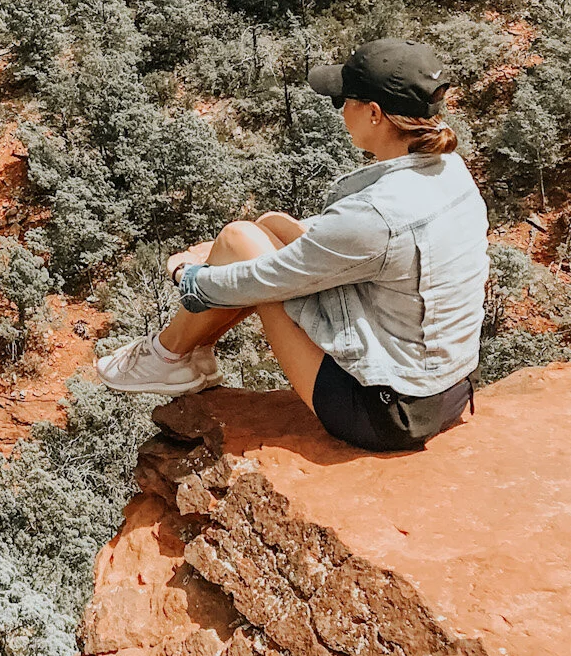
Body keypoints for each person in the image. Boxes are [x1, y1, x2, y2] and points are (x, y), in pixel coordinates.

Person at [95, 39, 486, 452]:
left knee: (239, 241)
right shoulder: (451, 171)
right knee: (266, 226)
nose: (339, 111)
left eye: (343, 100)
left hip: (386, 413)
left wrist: (189, 275)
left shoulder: (376, 213)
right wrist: (268, 236)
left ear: (374, 113)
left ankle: (168, 356)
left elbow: (267, 279)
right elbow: (353, 241)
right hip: (450, 391)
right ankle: (184, 357)